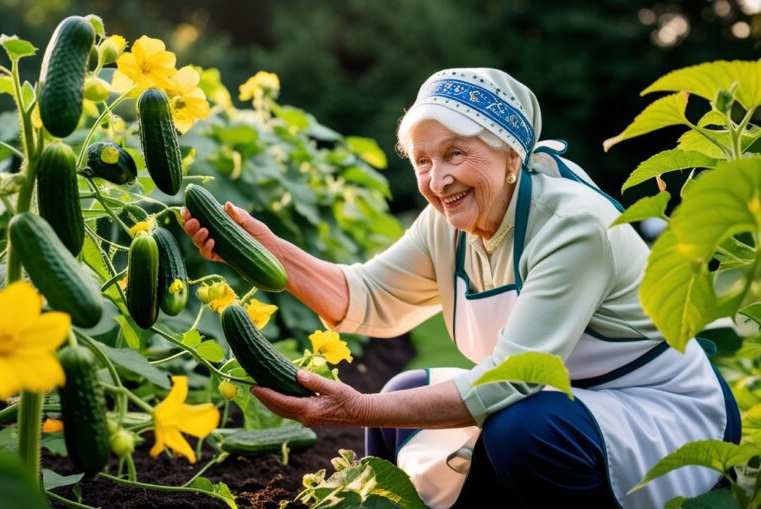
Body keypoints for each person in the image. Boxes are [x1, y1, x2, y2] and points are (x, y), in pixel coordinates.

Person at [182, 68, 740, 508]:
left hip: (654, 406)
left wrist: (357, 408)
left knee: (520, 429)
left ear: (511, 155)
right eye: (423, 160)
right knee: (407, 393)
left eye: (456, 153)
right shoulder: (446, 222)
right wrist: (262, 244)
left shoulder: (571, 222)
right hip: (568, 401)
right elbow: (367, 299)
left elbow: (513, 382)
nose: (437, 179)